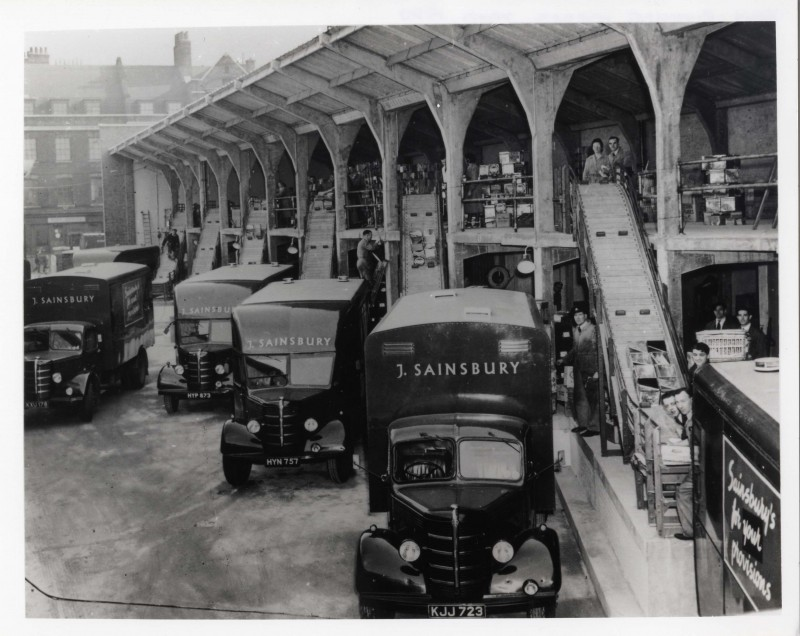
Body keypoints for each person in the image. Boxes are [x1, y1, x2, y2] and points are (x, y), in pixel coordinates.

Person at [559, 301, 600, 438]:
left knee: (593, 400)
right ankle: (583, 424)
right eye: (575, 315)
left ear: (586, 315)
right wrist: (563, 360)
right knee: (580, 398)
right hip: (579, 369)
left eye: (580, 314)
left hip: (591, 369)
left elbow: (600, 351)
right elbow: (575, 349)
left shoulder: (593, 330)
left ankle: (594, 427)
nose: (577, 317)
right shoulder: (576, 330)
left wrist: (598, 371)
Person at [672, 387, 694, 541]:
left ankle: (690, 532)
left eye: (683, 401)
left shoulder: (692, 421)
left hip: (699, 468)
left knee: (682, 492)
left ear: (691, 400)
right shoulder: (690, 417)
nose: (680, 405)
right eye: (677, 402)